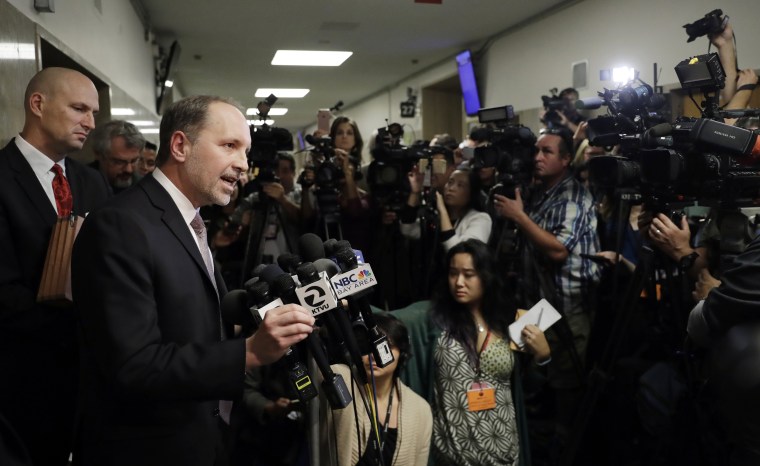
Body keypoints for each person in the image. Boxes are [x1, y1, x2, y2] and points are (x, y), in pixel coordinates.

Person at [71, 95, 315, 466]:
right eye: (229, 146)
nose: (243, 165)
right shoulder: (120, 224)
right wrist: (249, 352)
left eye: (245, 151)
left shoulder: (191, 219)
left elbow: (191, 323)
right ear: (181, 145)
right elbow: (134, 364)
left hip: (202, 436)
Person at [0, 67, 111, 466]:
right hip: (24, 382)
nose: (91, 123)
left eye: (94, 112)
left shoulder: (93, 183)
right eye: (80, 108)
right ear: (37, 104)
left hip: (92, 380)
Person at [493, 126, 600, 437]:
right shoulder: (538, 192)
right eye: (536, 151)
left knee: (565, 383)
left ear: (566, 159)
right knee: (528, 372)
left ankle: (564, 445)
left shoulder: (573, 196)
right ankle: (534, 439)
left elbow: (557, 250)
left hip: (567, 306)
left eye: (547, 152)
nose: (537, 157)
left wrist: (519, 217)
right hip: (535, 303)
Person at [431, 239, 550, 466]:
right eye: (453, 273)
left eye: (469, 274)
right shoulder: (433, 322)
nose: (459, 282)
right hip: (453, 456)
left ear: (486, 276)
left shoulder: (509, 323)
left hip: (503, 450)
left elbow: (527, 389)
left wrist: (542, 357)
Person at [322, 314, 433, 466]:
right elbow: (320, 373)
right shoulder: (341, 380)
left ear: (402, 353)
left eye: (384, 346)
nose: (374, 355)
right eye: (366, 346)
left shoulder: (420, 409)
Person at [89, 119, 145, 194]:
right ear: (98, 154)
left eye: (134, 161)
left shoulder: (145, 188)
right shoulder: (78, 184)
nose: (129, 170)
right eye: (119, 162)